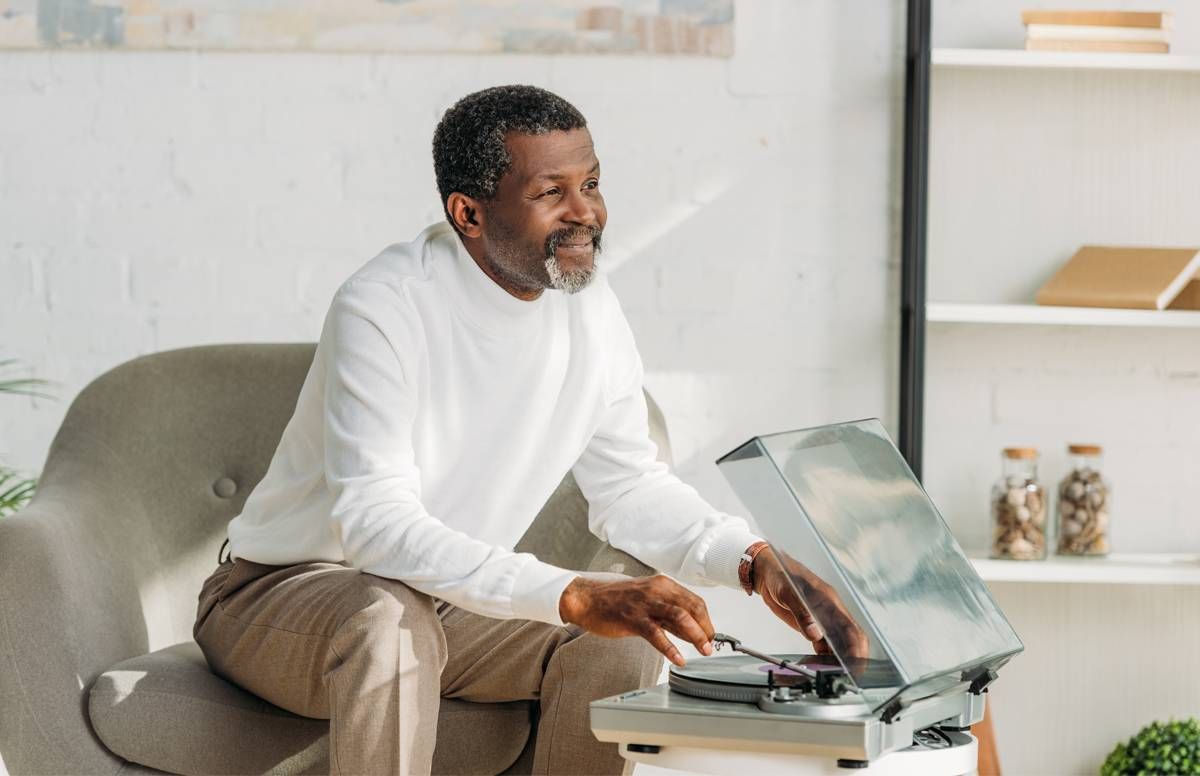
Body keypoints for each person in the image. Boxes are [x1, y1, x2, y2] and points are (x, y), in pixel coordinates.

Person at [193, 84, 865, 776]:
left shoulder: (591, 310)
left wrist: (750, 560)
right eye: (552, 193)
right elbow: (374, 526)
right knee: (388, 619)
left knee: (624, 636)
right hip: (280, 598)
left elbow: (629, 488)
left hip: (441, 604)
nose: (588, 214)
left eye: (593, 183)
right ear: (469, 213)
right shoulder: (386, 306)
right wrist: (571, 592)